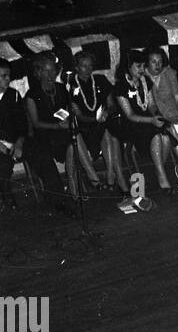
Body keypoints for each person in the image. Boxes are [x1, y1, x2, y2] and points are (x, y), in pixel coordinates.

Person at [108, 50, 174, 192]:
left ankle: (158, 170)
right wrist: (151, 120)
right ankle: (163, 179)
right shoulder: (120, 87)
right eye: (138, 66)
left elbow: (150, 105)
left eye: (143, 66)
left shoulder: (146, 81)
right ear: (128, 67)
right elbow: (130, 115)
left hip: (148, 119)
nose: (142, 69)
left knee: (166, 137)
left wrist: (157, 116)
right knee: (156, 136)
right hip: (130, 124)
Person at [24, 52, 79, 207]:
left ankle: (73, 183)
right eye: (46, 71)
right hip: (43, 134)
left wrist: (68, 118)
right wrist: (57, 125)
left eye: (53, 70)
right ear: (39, 72)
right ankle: (61, 196)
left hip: (61, 131)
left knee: (74, 138)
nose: (50, 74)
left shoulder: (62, 88)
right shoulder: (32, 95)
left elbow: (68, 110)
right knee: (46, 155)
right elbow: (35, 123)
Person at [69, 50, 126, 195]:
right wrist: (94, 119)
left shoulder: (100, 80)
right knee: (93, 131)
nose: (88, 69)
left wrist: (107, 112)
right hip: (85, 126)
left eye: (90, 66)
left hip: (103, 121)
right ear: (77, 67)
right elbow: (78, 115)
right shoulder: (71, 85)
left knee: (108, 130)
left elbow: (111, 104)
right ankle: (97, 177)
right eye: (83, 66)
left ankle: (111, 175)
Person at [146, 48, 178, 187]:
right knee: (173, 130)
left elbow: (177, 96)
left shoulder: (169, 73)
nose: (157, 65)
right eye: (153, 62)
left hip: (174, 109)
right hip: (157, 115)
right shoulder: (143, 77)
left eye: (159, 61)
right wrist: (163, 116)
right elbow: (151, 105)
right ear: (147, 63)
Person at [0, 61, 26, 213]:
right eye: (3, 76)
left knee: (41, 154)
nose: (7, 79)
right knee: (3, 163)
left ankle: (58, 200)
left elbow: (22, 123)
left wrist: (19, 143)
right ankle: (7, 196)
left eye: (8, 75)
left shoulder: (14, 95)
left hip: (15, 141)